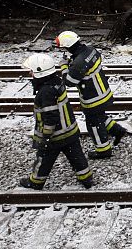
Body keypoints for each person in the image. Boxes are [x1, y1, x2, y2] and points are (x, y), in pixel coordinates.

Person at [19, 53, 94, 190]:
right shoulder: (57, 82)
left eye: (32, 71)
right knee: (77, 157)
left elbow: (51, 116)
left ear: (40, 72)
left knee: (43, 159)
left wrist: (46, 137)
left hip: (55, 135)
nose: (30, 73)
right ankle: (86, 178)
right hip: (70, 131)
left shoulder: (45, 92)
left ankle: (36, 182)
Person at [55, 30, 126, 159]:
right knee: (100, 117)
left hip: (93, 98)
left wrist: (64, 67)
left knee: (93, 123)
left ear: (69, 46)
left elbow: (69, 82)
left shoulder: (78, 63)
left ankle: (103, 150)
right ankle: (117, 130)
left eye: (64, 48)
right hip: (103, 91)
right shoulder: (91, 50)